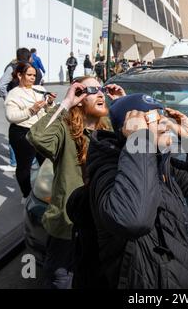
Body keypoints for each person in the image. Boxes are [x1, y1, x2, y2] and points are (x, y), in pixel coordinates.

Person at [66, 93, 188, 289]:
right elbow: (133, 220)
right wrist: (139, 141)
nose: (166, 125)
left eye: (163, 116)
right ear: (132, 129)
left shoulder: (160, 164)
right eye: (156, 120)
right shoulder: (108, 173)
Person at [28, 78, 125, 289]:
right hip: (68, 226)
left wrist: (121, 105)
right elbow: (38, 138)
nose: (100, 93)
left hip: (102, 223)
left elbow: (136, 141)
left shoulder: (109, 127)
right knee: (62, 281)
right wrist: (66, 103)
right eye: (92, 90)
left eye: (102, 89)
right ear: (79, 97)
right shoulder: (65, 128)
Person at [4, 62, 56, 204]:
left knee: (48, 163)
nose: (33, 78)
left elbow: (51, 111)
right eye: (29, 75)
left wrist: (50, 103)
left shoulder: (39, 89)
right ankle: (26, 194)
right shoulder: (14, 94)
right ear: (19, 75)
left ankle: (48, 191)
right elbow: (11, 116)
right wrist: (31, 110)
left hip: (41, 131)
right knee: (24, 166)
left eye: (34, 75)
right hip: (21, 133)